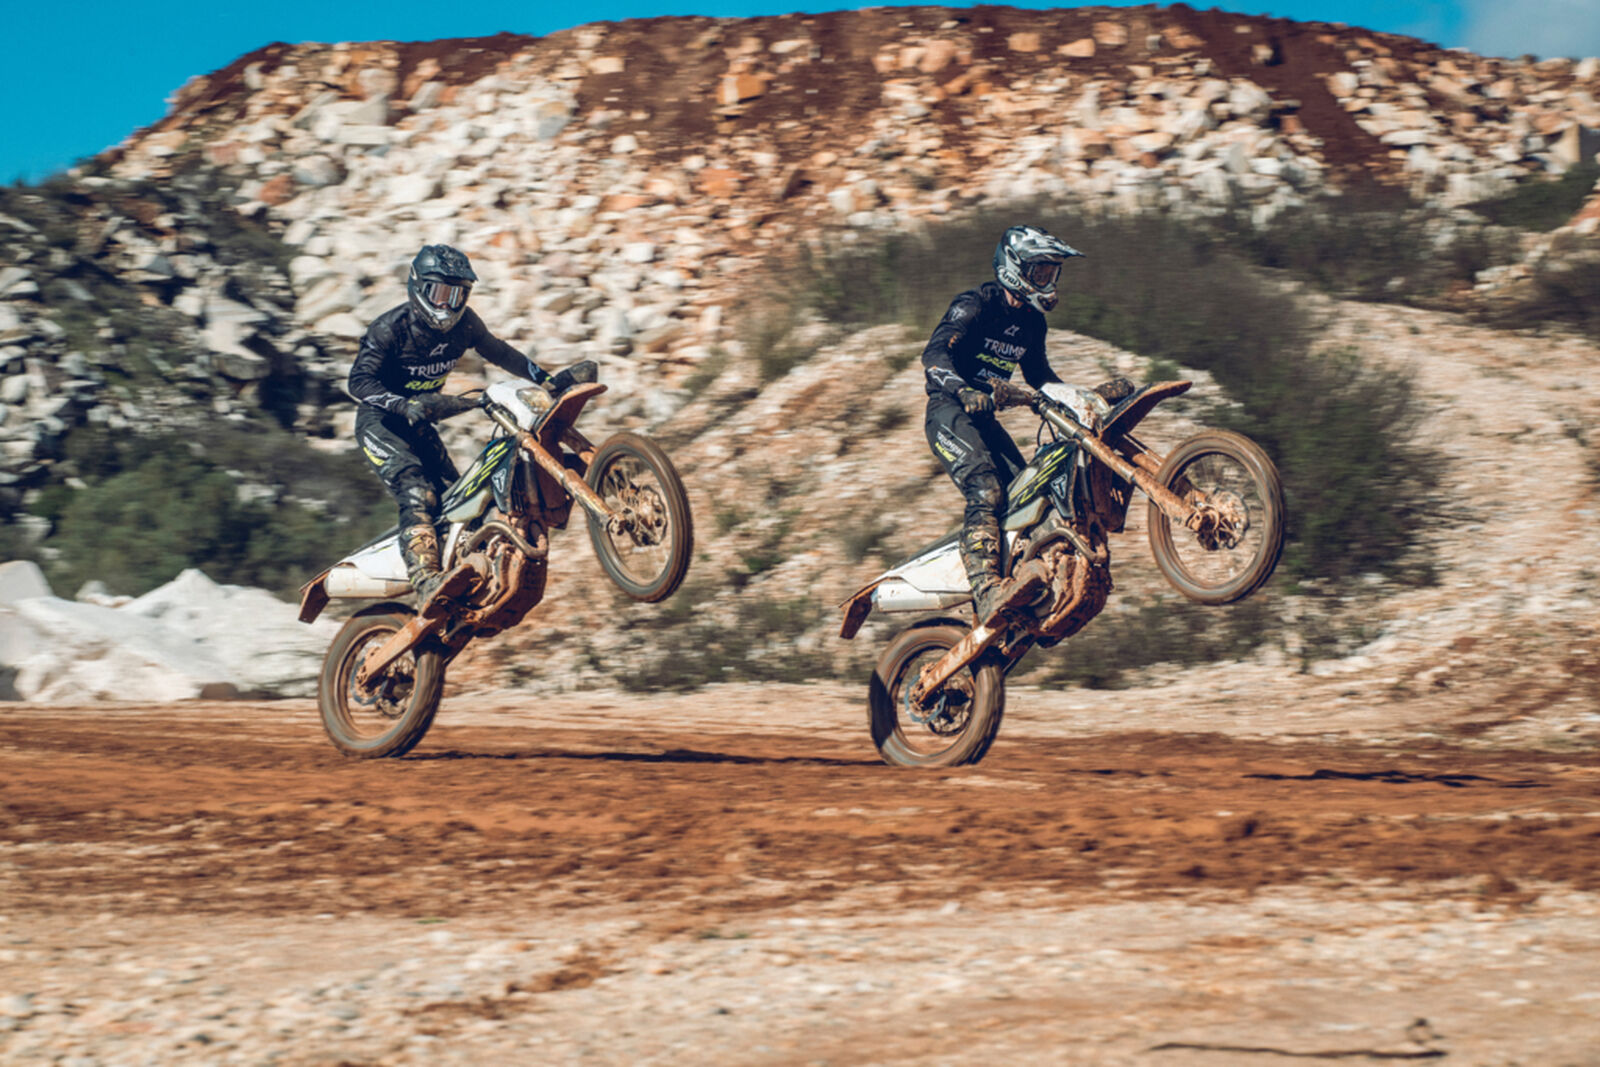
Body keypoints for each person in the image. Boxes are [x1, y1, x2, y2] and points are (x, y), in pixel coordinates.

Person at [348, 243, 593, 607]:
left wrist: (546, 380)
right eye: (439, 293)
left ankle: (467, 573)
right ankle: (425, 581)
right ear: (417, 287)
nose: (447, 305)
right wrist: (400, 404)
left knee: (457, 500)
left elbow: (500, 352)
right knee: (417, 491)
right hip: (380, 423)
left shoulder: (465, 324)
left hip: (422, 420)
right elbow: (358, 383)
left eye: (457, 295)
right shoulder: (389, 329)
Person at [920, 223, 1095, 621]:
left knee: (1028, 493)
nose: (1048, 280)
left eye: (1052, 272)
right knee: (986, 490)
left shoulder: (1033, 323)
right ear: (1015, 268)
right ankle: (985, 590)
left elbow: (1040, 377)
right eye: (1040, 271)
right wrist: (964, 389)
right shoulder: (976, 305)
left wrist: (1082, 398)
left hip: (984, 418)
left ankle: (1025, 586)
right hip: (949, 411)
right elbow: (934, 355)